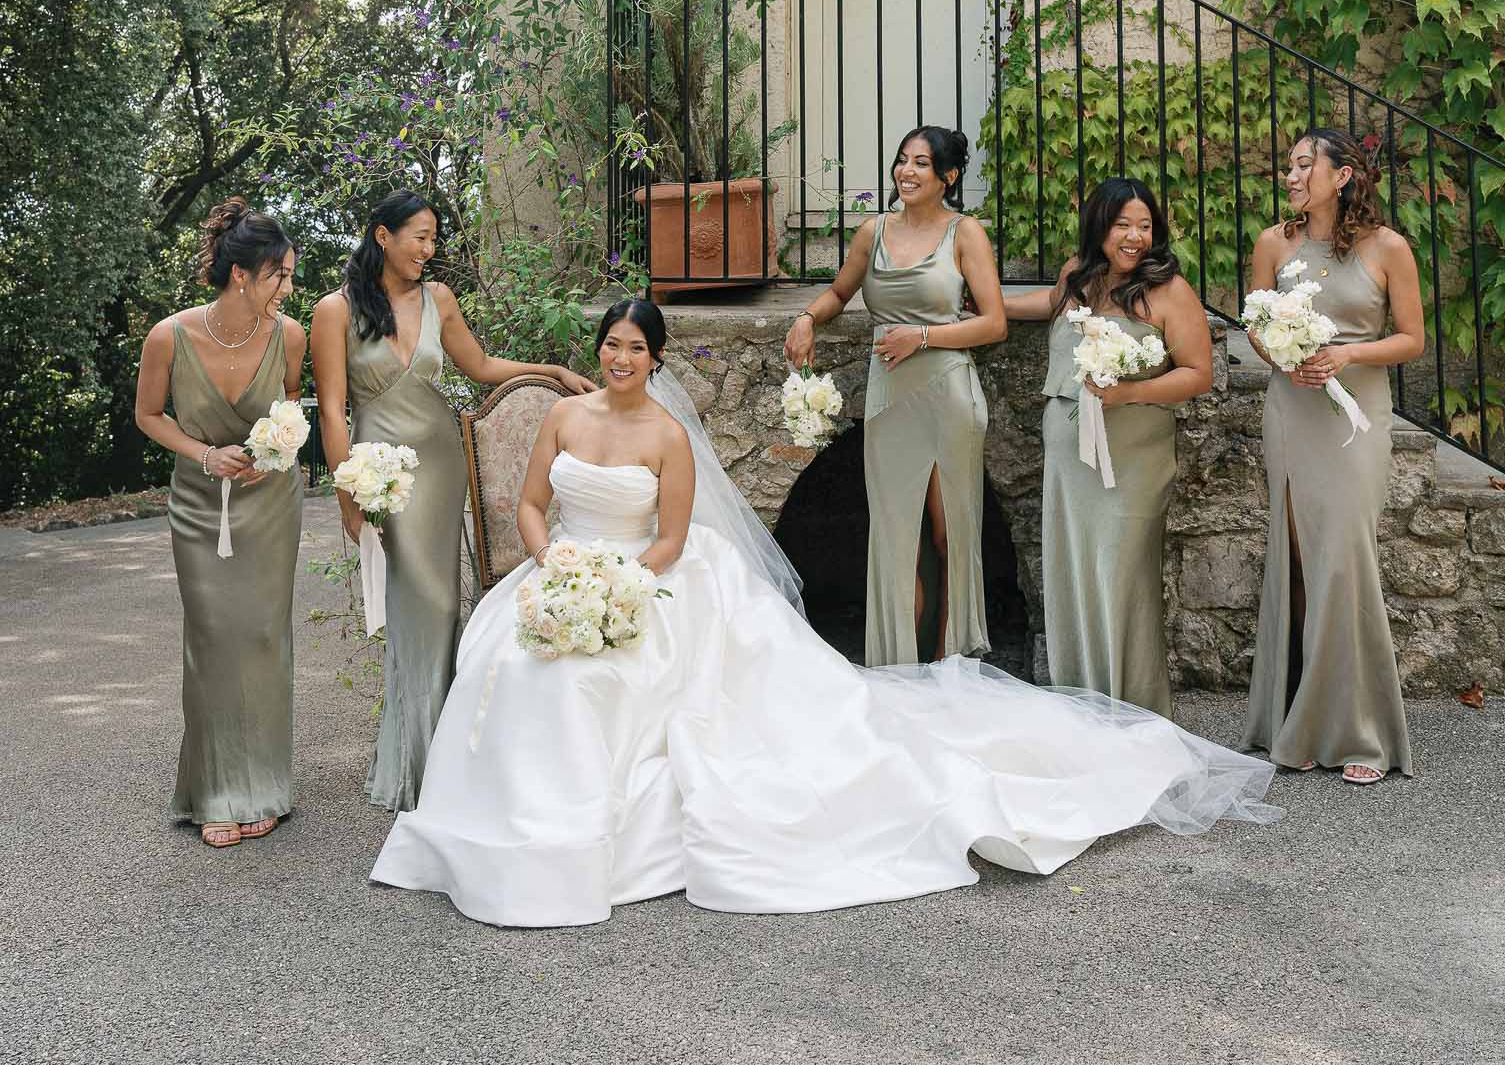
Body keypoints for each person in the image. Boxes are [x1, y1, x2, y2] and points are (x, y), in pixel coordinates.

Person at [370, 297, 1278, 928]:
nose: (619, 360)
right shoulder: (564, 421)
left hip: (648, 578)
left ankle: (570, 845)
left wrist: (621, 589)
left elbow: (673, 539)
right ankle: (500, 835)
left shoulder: (666, 437)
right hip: (561, 569)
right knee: (515, 663)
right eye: (611, 346)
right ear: (600, 347)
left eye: (636, 351)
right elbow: (534, 504)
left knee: (600, 680)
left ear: (656, 362)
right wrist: (551, 563)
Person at [310, 188, 595, 811]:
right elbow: (333, 409)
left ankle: (438, 763)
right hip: (380, 473)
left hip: (439, 466)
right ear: (382, 236)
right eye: (419, 236)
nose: (429, 249)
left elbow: (482, 365)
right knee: (419, 605)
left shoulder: (439, 298)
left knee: (441, 608)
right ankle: (416, 764)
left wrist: (553, 375)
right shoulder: (334, 311)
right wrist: (346, 494)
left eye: (434, 237)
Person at [784, 126, 1006, 665]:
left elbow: (994, 323)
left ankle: (950, 658)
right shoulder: (872, 232)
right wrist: (807, 317)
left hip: (946, 390)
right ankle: (901, 664)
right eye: (902, 161)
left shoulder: (965, 233)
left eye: (921, 164)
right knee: (895, 532)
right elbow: (841, 291)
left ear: (948, 177)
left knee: (946, 528)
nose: (906, 172)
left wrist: (923, 335)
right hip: (890, 400)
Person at [1242, 130, 1424, 783]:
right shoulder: (1273, 243)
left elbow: (1411, 339)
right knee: (1296, 560)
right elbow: (1256, 327)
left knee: (1344, 562)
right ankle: (1303, 721)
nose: (1290, 175)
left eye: (1302, 165)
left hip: (1355, 419)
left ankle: (1361, 734)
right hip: (1291, 412)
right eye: (1287, 165)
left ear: (1342, 175)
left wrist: (1346, 352)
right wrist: (1283, 356)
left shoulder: (1388, 247)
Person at [134, 198, 307, 848]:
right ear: (243, 275)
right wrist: (206, 453)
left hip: (269, 504)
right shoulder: (168, 336)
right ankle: (213, 792)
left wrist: (272, 453)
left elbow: (289, 416)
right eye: (280, 275)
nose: (288, 288)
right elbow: (149, 415)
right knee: (212, 639)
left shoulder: (289, 337)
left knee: (263, 637)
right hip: (200, 505)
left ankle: (263, 787)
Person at [1004, 179, 1212, 716]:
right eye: (1123, 225)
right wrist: (982, 307)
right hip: (1068, 450)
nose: (1135, 237)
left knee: (1121, 575)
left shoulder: (1169, 291)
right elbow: (1047, 305)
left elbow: (1198, 373)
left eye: (1144, 226)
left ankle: (1133, 711)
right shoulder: (1078, 277)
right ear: (1100, 226)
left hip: (1134, 454)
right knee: (1072, 571)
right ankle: (1082, 708)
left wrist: (1130, 392)